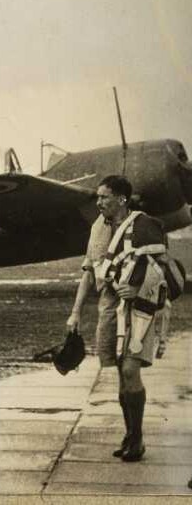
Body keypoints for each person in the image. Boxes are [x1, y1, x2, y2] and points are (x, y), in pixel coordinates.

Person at [66, 175, 169, 463]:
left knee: (129, 371)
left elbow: (162, 270)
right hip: (109, 306)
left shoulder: (144, 224)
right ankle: (130, 435)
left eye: (104, 197)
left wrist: (137, 288)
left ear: (121, 198)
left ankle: (136, 439)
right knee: (119, 371)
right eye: (98, 197)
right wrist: (75, 312)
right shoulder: (97, 228)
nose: (98, 202)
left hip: (140, 308)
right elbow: (89, 270)